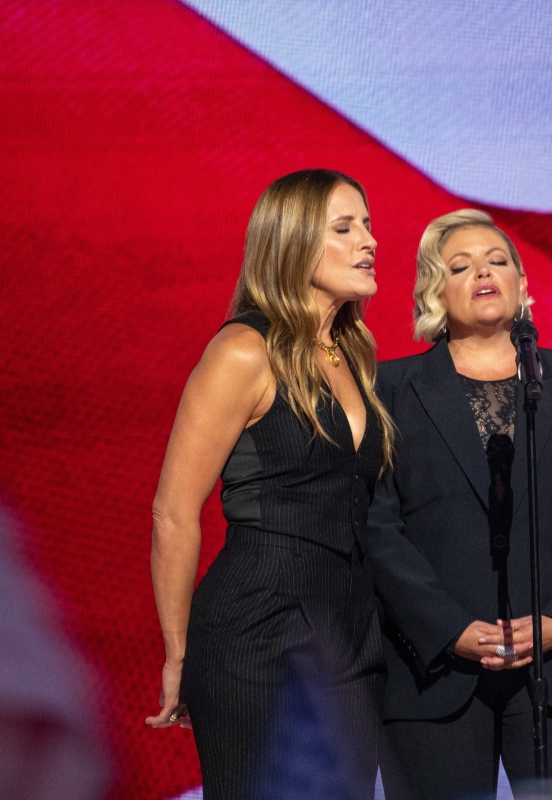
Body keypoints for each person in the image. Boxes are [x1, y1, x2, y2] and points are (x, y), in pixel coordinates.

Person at [146, 169, 395, 800]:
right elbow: (174, 513)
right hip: (255, 631)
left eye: (367, 224)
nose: (368, 240)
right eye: (344, 228)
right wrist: (179, 654)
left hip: (350, 632)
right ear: (292, 244)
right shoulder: (242, 351)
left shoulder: (352, 354)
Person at [368, 210, 552, 799]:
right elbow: (377, 525)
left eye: (498, 261)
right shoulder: (388, 389)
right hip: (434, 676)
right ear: (435, 292)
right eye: (460, 266)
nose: (483, 271)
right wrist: (447, 628)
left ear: (525, 286)